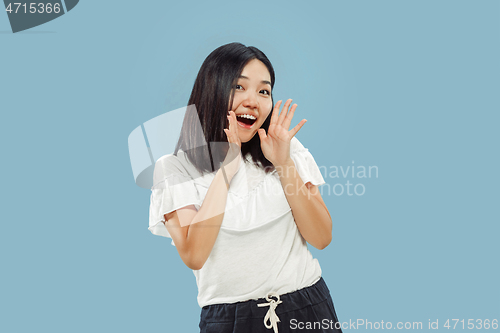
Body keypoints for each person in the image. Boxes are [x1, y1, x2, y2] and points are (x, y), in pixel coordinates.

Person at [149, 42, 343, 333]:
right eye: (239, 87)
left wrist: (283, 163)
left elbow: (322, 237)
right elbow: (194, 254)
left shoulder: (285, 149)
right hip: (231, 321)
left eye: (264, 91)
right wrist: (227, 169)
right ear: (212, 91)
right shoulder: (174, 169)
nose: (253, 100)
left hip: (308, 307)